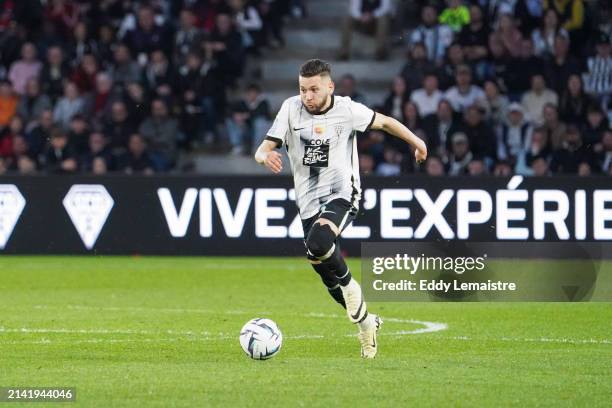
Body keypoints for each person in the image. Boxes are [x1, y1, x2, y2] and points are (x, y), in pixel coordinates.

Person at [253, 59, 427, 358]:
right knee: (323, 268)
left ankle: (351, 287)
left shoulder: (347, 110)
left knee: (320, 244)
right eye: (303, 89)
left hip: (343, 194)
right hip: (307, 202)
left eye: (314, 89)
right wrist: (263, 157)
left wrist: (417, 141)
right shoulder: (290, 108)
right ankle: (366, 323)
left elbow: (385, 122)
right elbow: (263, 148)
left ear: (329, 86)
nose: (307, 96)